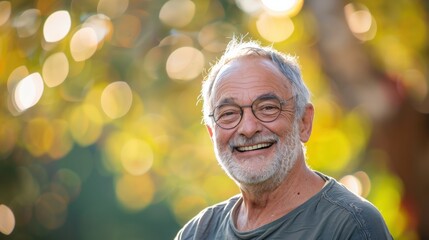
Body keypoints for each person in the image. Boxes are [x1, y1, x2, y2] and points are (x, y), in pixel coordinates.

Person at [175, 38, 392, 239]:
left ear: (304, 122)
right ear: (212, 133)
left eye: (268, 108)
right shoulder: (197, 233)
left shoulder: (351, 226)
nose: (248, 128)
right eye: (229, 113)